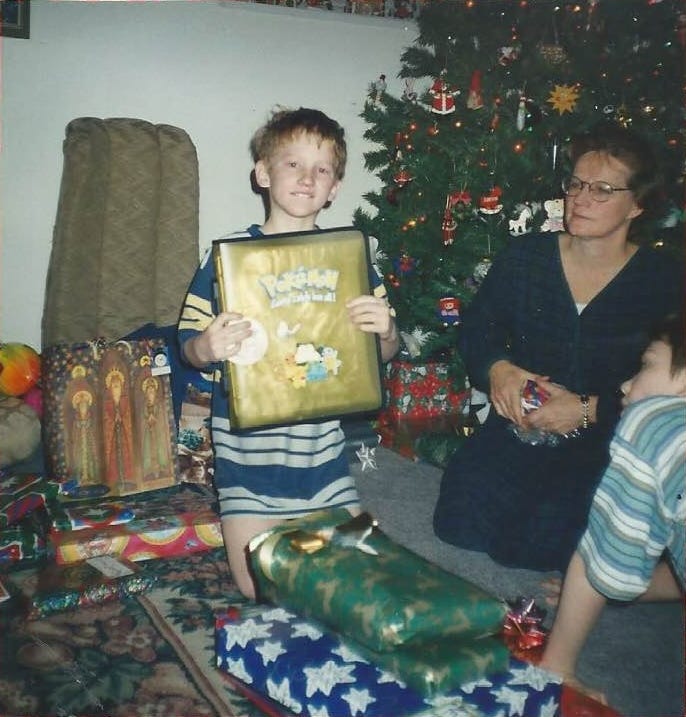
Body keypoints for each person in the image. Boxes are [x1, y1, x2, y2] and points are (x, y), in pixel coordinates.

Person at [433, 121, 683, 572]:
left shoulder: (662, 281)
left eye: (603, 189)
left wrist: (588, 409)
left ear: (637, 205)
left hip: (604, 441)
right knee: (458, 523)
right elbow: (478, 328)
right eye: (576, 184)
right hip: (520, 423)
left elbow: (673, 391)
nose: (581, 198)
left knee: (536, 549)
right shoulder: (526, 256)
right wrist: (498, 370)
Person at [178, 107, 400, 599]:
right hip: (244, 460)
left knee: (354, 585)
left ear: (336, 186)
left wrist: (386, 332)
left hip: (321, 456)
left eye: (322, 169)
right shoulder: (228, 256)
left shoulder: (351, 257)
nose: (307, 178)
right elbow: (187, 347)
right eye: (293, 164)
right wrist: (206, 345)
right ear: (262, 172)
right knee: (262, 589)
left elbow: (382, 357)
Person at [539, 312, 685, 697]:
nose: (625, 384)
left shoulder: (658, 424)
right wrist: (648, 588)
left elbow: (604, 561)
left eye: (646, 365)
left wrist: (558, 668)